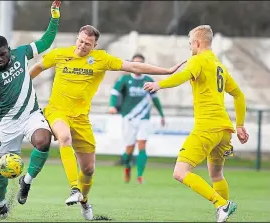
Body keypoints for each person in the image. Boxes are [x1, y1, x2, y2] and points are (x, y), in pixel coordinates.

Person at [28, 25, 185, 220]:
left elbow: (134, 66)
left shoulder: (101, 59)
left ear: (95, 45)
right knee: (64, 137)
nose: (82, 46)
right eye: (81, 41)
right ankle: (73, 189)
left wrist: (167, 71)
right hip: (57, 111)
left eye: (87, 44)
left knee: (88, 169)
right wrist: (22, 89)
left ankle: (84, 201)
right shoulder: (60, 54)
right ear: (77, 38)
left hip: (81, 119)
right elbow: (37, 68)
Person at [143, 25, 248, 222]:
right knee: (216, 175)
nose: (190, 46)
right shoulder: (219, 65)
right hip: (225, 130)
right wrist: (240, 125)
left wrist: (159, 84)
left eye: (190, 43)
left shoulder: (198, 60)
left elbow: (183, 75)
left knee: (180, 172)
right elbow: (239, 95)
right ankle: (223, 213)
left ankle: (222, 205)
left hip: (207, 128)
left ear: (197, 43)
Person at [0, 0, 61, 218]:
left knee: (44, 141)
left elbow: (46, 42)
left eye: (1, 54)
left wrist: (55, 18)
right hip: (8, 122)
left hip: (31, 115)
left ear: (8, 50)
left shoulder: (21, 53)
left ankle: (26, 182)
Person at [109, 53, 165, 184]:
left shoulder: (148, 80)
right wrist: (112, 106)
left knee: (142, 145)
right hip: (128, 118)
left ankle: (140, 176)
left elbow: (155, 99)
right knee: (129, 149)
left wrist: (162, 115)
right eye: (136, 63)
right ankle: (127, 167)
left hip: (144, 118)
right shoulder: (125, 79)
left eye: (141, 63)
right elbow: (114, 93)